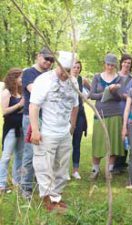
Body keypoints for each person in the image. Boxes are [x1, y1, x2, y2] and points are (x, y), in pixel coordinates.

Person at [30, 51, 79, 212]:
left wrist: (72, 126)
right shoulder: (44, 80)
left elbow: (75, 105)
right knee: (44, 166)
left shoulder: (73, 82)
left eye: (68, 70)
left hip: (64, 132)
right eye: (63, 69)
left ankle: (56, 197)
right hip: (47, 132)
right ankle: (47, 199)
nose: (65, 73)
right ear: (57, 65)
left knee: (62, 167)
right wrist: (35, 130)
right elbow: (34, 106)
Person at [21, 47, 54, 199]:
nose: (48, 62)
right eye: (46, 58)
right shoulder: (29, 72)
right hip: (31, 118)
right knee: (29, 153)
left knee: (44, 153)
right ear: (38, 56)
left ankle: (40, 183)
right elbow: (34, 90)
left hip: (47, 118)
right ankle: (26, 187)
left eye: (52, 60)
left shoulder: (49, 75)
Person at [89, 53, 125, 179]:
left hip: (115, 113)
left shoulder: (119, 78)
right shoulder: (97, 77)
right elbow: (91, 95)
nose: (110, 67)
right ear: (104, 64)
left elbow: (120, 97)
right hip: (100, 113)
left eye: (112, 65)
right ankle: (95, 170)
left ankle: (109, 170)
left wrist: (113, 92)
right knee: (98, 142)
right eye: (108, 64)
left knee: (113, 143)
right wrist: (105, 92)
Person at [0, 69, 24, 193]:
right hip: (10, 129)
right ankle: (1, 185)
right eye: (20, 77)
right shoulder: (6, 92)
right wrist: (19, 105)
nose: (22, 79)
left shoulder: (20, 92)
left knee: (20, 156)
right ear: (13, 78)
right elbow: (4, 111)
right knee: (6, 157)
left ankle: (16, 182)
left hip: (21, 129)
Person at [113, 54, 132, 173]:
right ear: (121, 63)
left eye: (129, 63)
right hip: (114, 109)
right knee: (116, 135)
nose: (126, 64)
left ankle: (122, 162)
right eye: (125, 62)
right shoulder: (115, 76)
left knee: (125, 135)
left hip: (127, 110)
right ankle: (114, 163)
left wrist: (126, 96)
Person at [70, 61, 89, 179]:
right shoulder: (65, 79)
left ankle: (75, 170)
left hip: (80, 114)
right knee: (65, 143)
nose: (76, 69)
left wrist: (85, 96)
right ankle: (61, 170)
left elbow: (92, 91)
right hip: (67, 114)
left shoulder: (82, 80)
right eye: (74, 67)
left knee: (77, 142)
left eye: (78, 67)